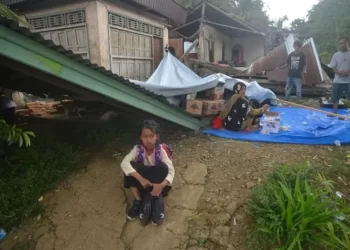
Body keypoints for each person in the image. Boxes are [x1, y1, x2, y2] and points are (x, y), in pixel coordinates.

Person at [120, 120, 175, 225]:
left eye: (151, 136)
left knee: (163, 167)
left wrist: (161, 185)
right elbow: (124, 163)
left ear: (157, 137)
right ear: (141, 137)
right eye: (145, 136)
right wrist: (141, 179)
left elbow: (171, 170)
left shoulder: (160, 150)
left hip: (157, 182)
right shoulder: (137, 149)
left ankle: (156, 197)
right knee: (129, 168)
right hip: (143, 183)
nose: (148, 139)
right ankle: (138, 200)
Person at [329, 36, 350, 115]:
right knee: (335, 97)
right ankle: (334, 112)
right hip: (337, 80)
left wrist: (348, 71)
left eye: (343, 43)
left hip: (348, 80)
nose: (341, 45)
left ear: (347, 43)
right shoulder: (336, 55)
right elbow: (333, 67)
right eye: (340, 44)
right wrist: (338, 72)